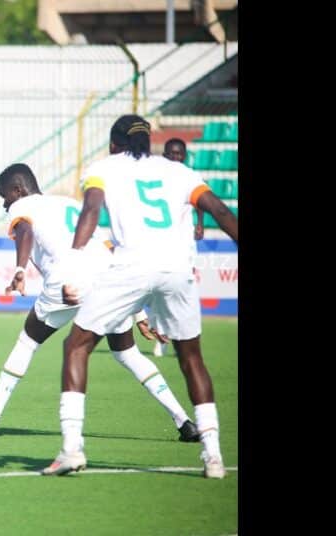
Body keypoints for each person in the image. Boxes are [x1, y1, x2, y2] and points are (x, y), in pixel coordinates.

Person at [43, 114, 237, 479]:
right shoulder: (178, 171)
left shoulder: (103, 169)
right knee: (191, 358)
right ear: (150, 143)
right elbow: (220, 211)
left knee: (77, 345)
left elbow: (90, 211)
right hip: (178, 271)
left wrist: (71, 269)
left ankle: (71, 448)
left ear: (114, 144)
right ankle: (213, 457)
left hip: (131, 267)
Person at [0, 163, 198, 444]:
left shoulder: (22, 206)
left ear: (18, 190)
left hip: (65, 283)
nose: (4, 204)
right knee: (127, 353)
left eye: (4, 196)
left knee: (27, 343)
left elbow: (24, 232)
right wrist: (137, 313)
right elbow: (108, 250)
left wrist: (18, 269)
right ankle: (184, 421)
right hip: (105, 280)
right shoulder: (71, 204)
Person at [152, 137, 203, 357]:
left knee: (185, 292)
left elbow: (201, 201)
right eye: (171, 154)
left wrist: (200, 223)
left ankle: (185, 341)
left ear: (184, 156)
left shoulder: (191, 176)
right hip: (162, 243)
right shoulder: (159, 179)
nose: (175, 157)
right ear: (165, 156)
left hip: (186, 246)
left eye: (178, 154)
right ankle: (161, 335)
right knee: (158, 292)